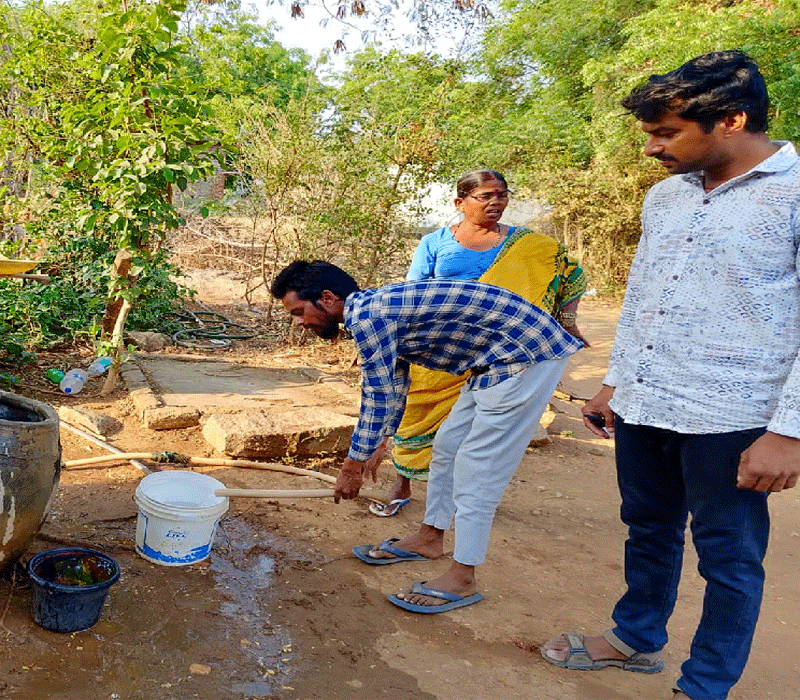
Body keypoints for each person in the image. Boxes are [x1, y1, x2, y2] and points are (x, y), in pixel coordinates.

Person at [539, 50, 800, 700]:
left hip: (733, 417)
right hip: (646, 404)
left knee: (730, 559)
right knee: (648, 528)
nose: (652, 148)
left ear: (731, 120)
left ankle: (704, 687)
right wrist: (615, 383)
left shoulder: (794, 194)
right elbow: (644, 296)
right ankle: (636, 638)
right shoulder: (666, 197)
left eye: (666, 133)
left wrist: (789, 431)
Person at [270, 261, 584, 613]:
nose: (298, 323)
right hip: (494, 361)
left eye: (298, 312)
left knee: (477, 469)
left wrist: (352, 466)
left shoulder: (369, 317)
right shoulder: (373, 309)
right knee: (447, 447)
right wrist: (379, 441)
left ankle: (463, 578)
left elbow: (377, 394)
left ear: (327, 298)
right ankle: (429, 539)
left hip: (525, 357)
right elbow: (397, 379)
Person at [364, 170, 588, 518]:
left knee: (478, 429)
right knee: (416, 416)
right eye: (485, 196)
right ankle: (402, 485)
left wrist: (568, 323)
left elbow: (570, 272)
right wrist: (387, 342)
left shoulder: (528, 245)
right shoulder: (435, 243)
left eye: (502, 194)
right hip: (441, 350)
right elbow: (412, 294)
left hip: (498, 352)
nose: (496, 202)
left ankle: (464, 499)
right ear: (460, 202)